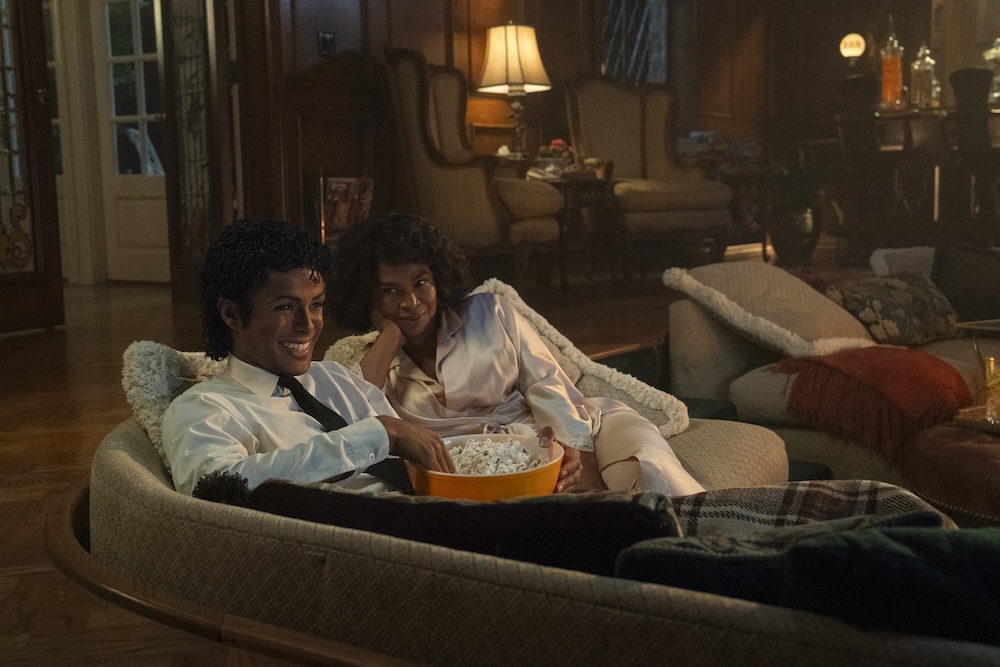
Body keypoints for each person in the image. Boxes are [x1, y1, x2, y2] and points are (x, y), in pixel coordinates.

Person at [328, 213, 705, 495]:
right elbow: (354, 425)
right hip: (496, 468)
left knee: (646, 470)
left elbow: (549, 386)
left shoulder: (489, 312)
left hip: (576, 431)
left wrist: (577, 462)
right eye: (391, 291)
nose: (411, 302)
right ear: (367, 295)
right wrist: (390, 336)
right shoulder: (368, 365)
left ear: (437, 278)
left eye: (420, 283)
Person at [162, 218, 490, 496]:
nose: (308, 326)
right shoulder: (205, 408)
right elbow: (217, 487)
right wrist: (378, 435)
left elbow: (411, 460)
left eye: (316, 305)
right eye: (285, 307)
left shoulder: (336, 378)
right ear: (232, 314)